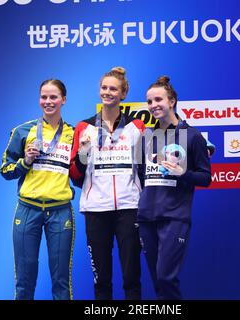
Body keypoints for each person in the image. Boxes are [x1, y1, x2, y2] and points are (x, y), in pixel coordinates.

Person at [70, 67, 144, 300]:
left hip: (129, 208)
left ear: (123, 94)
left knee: (131, 276)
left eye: (113, 89)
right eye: (104, 88)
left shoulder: (137, 127)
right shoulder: (84, 127)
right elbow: (74, 174)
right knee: (101, 279)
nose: (107, 92)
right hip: (96, 209)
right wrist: (83, 153)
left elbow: (144, 170)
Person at [138, 76, 214, 300]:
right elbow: (140, 175)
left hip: (174, 217)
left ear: (172, 101)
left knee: (165, 278)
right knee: (157, 282)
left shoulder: (192, 136)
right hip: (146, 218)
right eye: (149, 102)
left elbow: (205, 178)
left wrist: (183, 174)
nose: (153, 106)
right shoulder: (146, 137)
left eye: (158, 100)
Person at [0, 79, 75, 300]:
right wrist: (26, 161)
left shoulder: (74, 133)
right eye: (44, 97)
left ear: (63, 100)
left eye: (53, 97)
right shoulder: (23, 131)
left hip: (61, 212)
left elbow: (80, 172)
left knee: (61, 281)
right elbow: (5, 170)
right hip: (28, 210)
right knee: (24, 280)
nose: (48, 101)